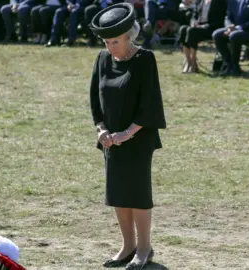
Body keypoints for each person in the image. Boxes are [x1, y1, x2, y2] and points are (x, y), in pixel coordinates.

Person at [88, 3, 166, 269]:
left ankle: (144, 249)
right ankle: (127, 246)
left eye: (116, 41)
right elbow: (95, 102)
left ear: (129, 37)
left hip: (138, 138)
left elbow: (151, 105)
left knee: (138, 195)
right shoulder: (102, 59)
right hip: (111, 140)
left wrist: (127, 134)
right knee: (118, 194)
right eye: (107, 42)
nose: (111, 47)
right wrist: (103, 131)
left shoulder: (145, 59)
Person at [212, 0, 249, 76]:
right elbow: (227, 17)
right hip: (233, 29)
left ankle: (235, 66)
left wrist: (239, 27)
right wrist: (229, 26)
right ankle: (228, 63)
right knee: (217, 34)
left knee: (234, 35)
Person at [178, 0, 226, 73]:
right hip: (197, 27)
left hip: (211, 29)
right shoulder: (199, 1)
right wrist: (193, 23)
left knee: (191, 31)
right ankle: (188, 61)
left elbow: (219, 21)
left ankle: (194, 63)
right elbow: (194, 16)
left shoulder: (220, 2)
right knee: (183, 29)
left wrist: (202, 26)